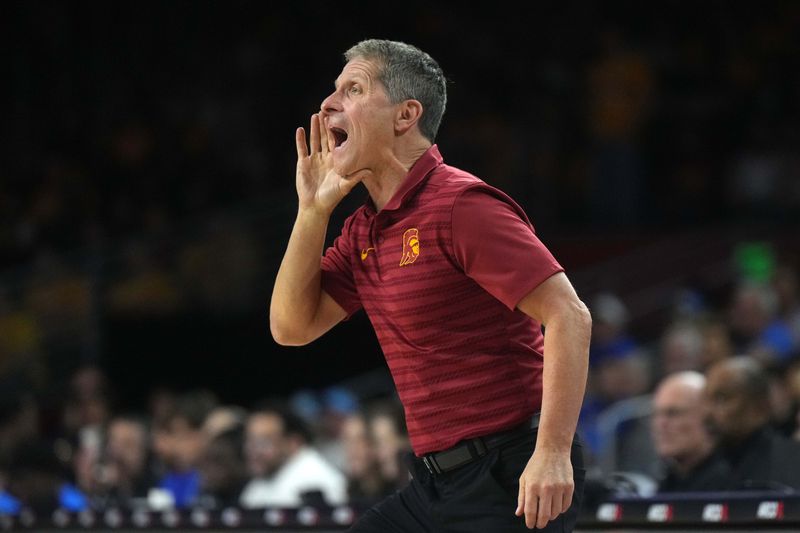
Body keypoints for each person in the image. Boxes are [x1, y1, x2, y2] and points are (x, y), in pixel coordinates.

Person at [270, 39, 591, 531]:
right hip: (434, 483)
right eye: (333, 91)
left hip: (511, 474)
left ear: (405, 115)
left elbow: (570, 315)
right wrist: (313, 212)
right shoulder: (362, 230)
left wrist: (552, 453)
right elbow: (291, 328)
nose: (328, 104)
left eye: (353, 89)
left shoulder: (462, 205)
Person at [705, 356, 800, 490]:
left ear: (759, 404)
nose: (708, 413)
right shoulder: (702, 466)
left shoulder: (791, 463)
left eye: (722, 398)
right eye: (706, 399)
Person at [239, 401, 346, 508]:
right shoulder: (259, 482)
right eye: (249, 441)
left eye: (263, 442)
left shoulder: (317, 480)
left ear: (293, 443)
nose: (251, 451)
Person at [650, 372, 730, 492]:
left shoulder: (731, 483)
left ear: (708, 417)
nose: (661, 424)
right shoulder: (666, 483)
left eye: (673, 413)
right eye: (657, 414)